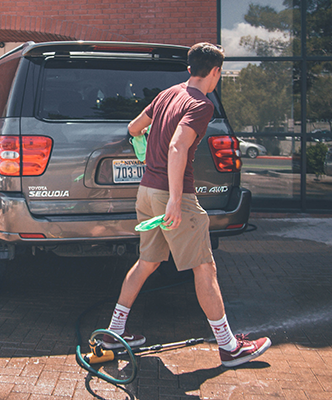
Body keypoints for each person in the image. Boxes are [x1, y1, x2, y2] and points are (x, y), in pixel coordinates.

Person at [101, 43, 271, 368]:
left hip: (147, 191)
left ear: (190, 68)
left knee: (146, 262)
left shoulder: (167, 94)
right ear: (216, 72)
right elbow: (179, 146)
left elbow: (134, 127)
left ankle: (113, 333)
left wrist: (151, 140)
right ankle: (229, 347)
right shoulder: (201, 104)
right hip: (170, 196)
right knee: (205, 267)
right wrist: (177, 201)